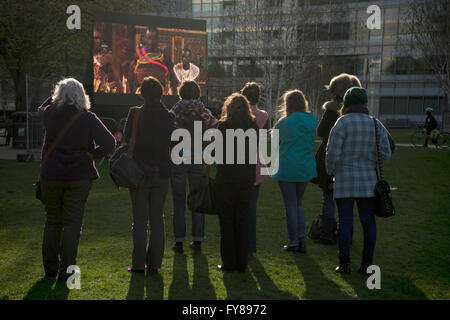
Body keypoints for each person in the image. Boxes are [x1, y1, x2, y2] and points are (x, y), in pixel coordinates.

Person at [38, 78, 116, 281]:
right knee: (73, 224)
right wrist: (94, 155)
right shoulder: (88, 118)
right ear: (82, 96)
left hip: (51, 174)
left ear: (58, 96)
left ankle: (49, 269)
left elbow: (42, 107)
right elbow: (110, 142)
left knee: (52, 221)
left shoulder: (50, 115)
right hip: (79, 175)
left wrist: (57, 96)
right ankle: (67, 271)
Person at [326, 87, 392, 274]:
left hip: (345, 179)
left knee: (345, 222)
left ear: (346, 102)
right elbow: (385, 153)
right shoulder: (375, 123)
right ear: (364, 103)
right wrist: (370, 162)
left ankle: (345, 263)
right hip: (368, 180)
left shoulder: (342, 122)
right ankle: (366, 264)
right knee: (368, 222)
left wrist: (331, 172)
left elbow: (332, 154)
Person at [122, 76, 175, 273]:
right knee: (157, 220)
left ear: (142, 94)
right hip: (162, 174)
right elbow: (174, 143)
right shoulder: (169, 117)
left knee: (140, 220)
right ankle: (155, 263)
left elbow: (126, 140)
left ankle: (137, 264)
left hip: (140, 174)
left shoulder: (135, 114)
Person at [312, 73, 361, 245]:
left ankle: (326, 233)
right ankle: (346, 235)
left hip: (330, 154)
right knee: (347, 201)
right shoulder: (358, 112)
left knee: (328, 197)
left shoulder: (332, 110)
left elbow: (320, 131)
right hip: (351, 156)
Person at [170, 80, 218, 253]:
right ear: (197, 92)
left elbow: (169, 130)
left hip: (178, 157)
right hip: (198, 157)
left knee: (179, 200)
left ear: (181, 92)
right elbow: (215, 126)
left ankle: (179, 241)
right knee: (198, 198)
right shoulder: (202, 110)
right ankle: (198, 239)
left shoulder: (175, 110)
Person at [216, 93, 259, 272]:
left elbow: (218, 153)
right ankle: (242, 262)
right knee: (242, 219)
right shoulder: (253, 126)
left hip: (226, 178)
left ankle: (229, 262)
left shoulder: (223, 126)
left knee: (226, 220)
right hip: (246, 178)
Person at [271, 90, 318, 253]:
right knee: (298, 204)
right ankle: (301, 239)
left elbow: (273, 143)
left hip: (287, 167)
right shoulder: (312, 121)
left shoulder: (284, 123)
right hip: (304, 166)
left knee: (290, 205)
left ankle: (293, 241)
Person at [240, 82, 269, 255]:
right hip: (257, 164)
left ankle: (242, 244)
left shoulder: (238, 114)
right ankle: (251, 247)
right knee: (251, 209)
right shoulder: (263, 115)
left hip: (241, 164)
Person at [130, 27, 178, 95]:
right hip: (141, 91)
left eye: (153, 39)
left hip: (159, 92)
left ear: (157, 40)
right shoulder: (138, 54)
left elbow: (172, 76)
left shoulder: (164, 55)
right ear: (145, 38)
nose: (150, 42)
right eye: (148, 38)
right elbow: (132, 76)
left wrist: (174, 95)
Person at [93, 28, 124, 93]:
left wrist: (107, 86)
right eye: (96, 38)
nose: (98, 41)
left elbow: (118, 82)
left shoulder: (108, 57)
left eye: (100, 38)